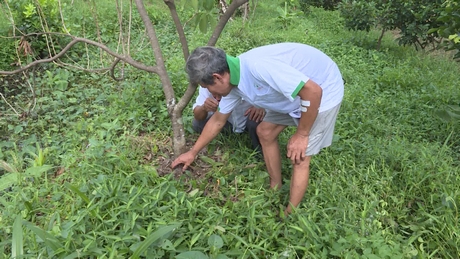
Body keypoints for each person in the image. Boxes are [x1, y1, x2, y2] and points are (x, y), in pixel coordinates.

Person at [172, 42, 344, 215]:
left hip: (323, 93)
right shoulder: (232, 81)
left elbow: (313, 92)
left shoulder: (258, 68)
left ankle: (290, 214)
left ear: (217, 77)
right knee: (265, 132)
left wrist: (302, 134)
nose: (211, 93)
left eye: (207, 87)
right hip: (295, 96)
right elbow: (217, 121)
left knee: (300, 156)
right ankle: (275, 186)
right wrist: (192, 153)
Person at [192, 86, 264, 151]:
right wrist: (204, 107)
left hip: (249, 117)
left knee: (256, 121)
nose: (217, 98)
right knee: (198, 123)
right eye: (214, 94)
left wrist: (261, 104)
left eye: (219, 94)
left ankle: (259, 151)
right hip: (228, 121)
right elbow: (198, 115)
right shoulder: (207, 84)